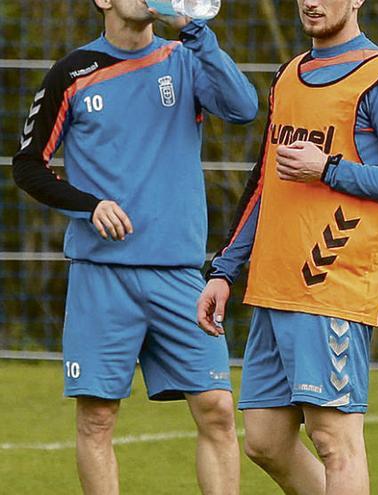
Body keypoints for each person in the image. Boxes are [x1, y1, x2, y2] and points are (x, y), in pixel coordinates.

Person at [11, 1, 258, 493]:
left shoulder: (184, 57)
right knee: (98, 419)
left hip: (180, 275)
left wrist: (197, 32)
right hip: (102, 276)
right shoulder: (72, 73)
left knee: (217, 409)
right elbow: (28, 166)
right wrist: (88, 205)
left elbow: (243, 109)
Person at [196, 0, 378, 493]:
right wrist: (224, 270)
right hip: (271, 284)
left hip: (330, 284)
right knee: (265, 441)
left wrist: (328, 168)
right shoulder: (287, 76)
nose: (311, 2)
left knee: (334, 440)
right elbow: (264, 183)